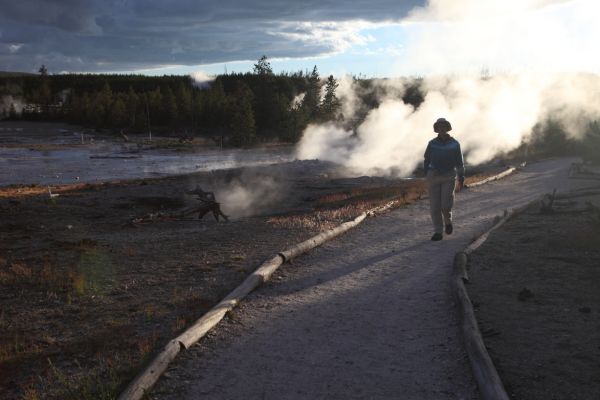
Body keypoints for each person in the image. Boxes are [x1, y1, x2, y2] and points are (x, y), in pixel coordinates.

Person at [423, 118, 465, 241]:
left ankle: (448, 221)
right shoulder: (432, 143)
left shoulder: (455, 144)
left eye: (443, 126)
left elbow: (459, 162)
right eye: (439, 126)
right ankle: (438, 232)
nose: (441, 128)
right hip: (433, 176)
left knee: (446, 205)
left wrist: (461, 177)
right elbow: (426, 158)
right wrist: (427, 172)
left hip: (448, 176)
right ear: (436, 129)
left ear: (447, 128)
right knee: (435, 206)